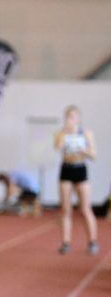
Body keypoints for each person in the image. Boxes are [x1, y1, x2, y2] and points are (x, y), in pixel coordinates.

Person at [54, 105, 98, 255]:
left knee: (85, 208)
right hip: (66, 169)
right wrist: (66, 133)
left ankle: (92, 240)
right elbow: (57, 147)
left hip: (80, 168)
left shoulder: (86, 133)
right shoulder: (61, 133)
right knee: (66, 209)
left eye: (73, 116)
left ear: (78, 118)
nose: (70, 119)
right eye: (68, 116)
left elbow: (93, 155)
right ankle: (66, 242)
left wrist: (83, 149)